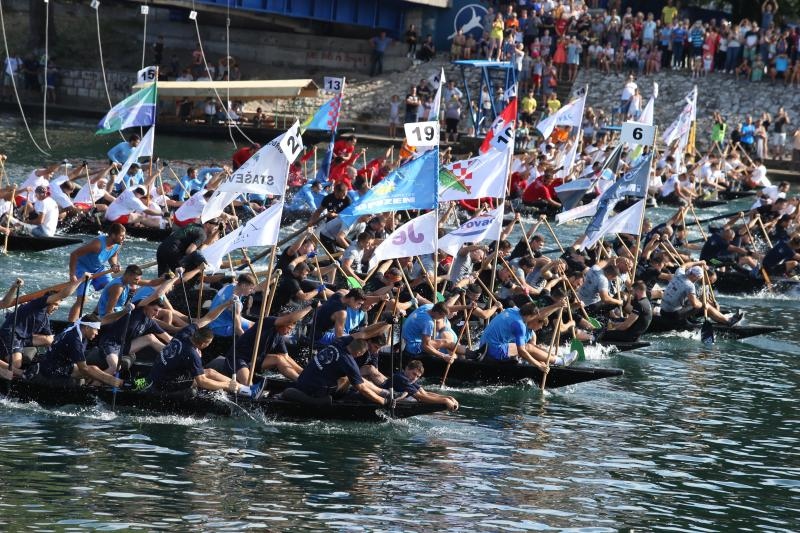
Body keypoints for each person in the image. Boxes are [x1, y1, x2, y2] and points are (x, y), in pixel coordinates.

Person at [149, 297, 252, 394]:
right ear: (203, 344)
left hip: (162, 371)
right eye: (209, 343)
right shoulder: (192, 354)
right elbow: (202, 382)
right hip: (165, 383)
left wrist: (226, 304)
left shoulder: (185, 332)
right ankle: (234, 387)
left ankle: (243, 389)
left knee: (210, 372)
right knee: (203, 379)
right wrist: (226, 385)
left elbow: (208, 318)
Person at [0, 277, 82, 379]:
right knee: (16, 364)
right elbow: (63, 294)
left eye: (58, 306)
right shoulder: (37, 304)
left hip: (22, 338)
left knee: (50, 339)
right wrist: (81, 280)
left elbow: (53, 340)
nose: (56, 308)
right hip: (10, 334)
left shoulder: (45, 318)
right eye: (55, 304)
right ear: (48, 301)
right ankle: (18, 371)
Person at [211, 306, 311, 385]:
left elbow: (286, 357)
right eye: (288, 328)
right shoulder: (267, 322)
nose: (289, 331)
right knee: (248, 385)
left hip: (254, 360)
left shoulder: (279, 336)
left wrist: (304, 372)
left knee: (279, 358)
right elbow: (289, 319)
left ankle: (300, 381)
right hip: (238, 358)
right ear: (282, 323)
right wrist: (311, 306)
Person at [292, 338, 389, 406]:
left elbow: (362, 332)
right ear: (359, 353)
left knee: (348, 377)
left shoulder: (338, 342)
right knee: (349, 379)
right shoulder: (350, 363)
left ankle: (383, 392)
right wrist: (382, 401)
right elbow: (362, 388)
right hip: (315, 390)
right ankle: (339, 398)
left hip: (303, 380)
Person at [36, 313, 122, 388]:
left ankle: (101, 384)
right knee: (91, 370)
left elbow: (105, 319)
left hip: (57, 364)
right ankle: (119, 383)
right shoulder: (75, 341)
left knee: (93, 369)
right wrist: (95, 377)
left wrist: (124, 311)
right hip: (53, 372)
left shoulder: (75, 326)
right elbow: (84, 369)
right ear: (87, 328)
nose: (97, 333)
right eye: (96, 329)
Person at [477, 302, 565, 370]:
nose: (534, 319)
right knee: (527, 347)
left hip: (483, 346)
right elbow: (522, 351)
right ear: (530, 316)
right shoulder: (520, 325)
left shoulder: (511, 310)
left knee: (529, 348)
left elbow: (541, 313)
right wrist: (538, 365)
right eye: (533, 317)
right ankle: (559, 361)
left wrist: (557, 305)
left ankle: (553, 359)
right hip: (493, 351)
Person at [660, 264, 742, 326]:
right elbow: (694, 303)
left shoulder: (705, 285)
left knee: (713, 308)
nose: (710, 284)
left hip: (684, 308)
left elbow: (704, 299)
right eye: (709, 281)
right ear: (704, 276)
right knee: (705, 306)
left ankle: (722, 320)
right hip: (679, 309)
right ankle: (728, 321)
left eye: (712, 282)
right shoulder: (691, 284)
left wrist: (714, 304)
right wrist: (704, 305)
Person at [382, 360, 459, 411]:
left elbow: (425, 394)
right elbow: (421, 397)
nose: (414, 378)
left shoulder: (409, 380)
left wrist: (448, 397)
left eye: (417, 376)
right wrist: (444, 401)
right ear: (407, 368)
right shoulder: (401, 378)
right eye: (414, 374)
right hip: (382, 398)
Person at [156, 219, 221, 276]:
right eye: (216, 225)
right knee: (183, 276)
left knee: (164, 276)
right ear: (208, 224)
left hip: (161, 248)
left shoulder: (193, 225)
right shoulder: (202, 234)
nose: (217, 227)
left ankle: (158, 287)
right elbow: (189, 251)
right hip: (172, 251)